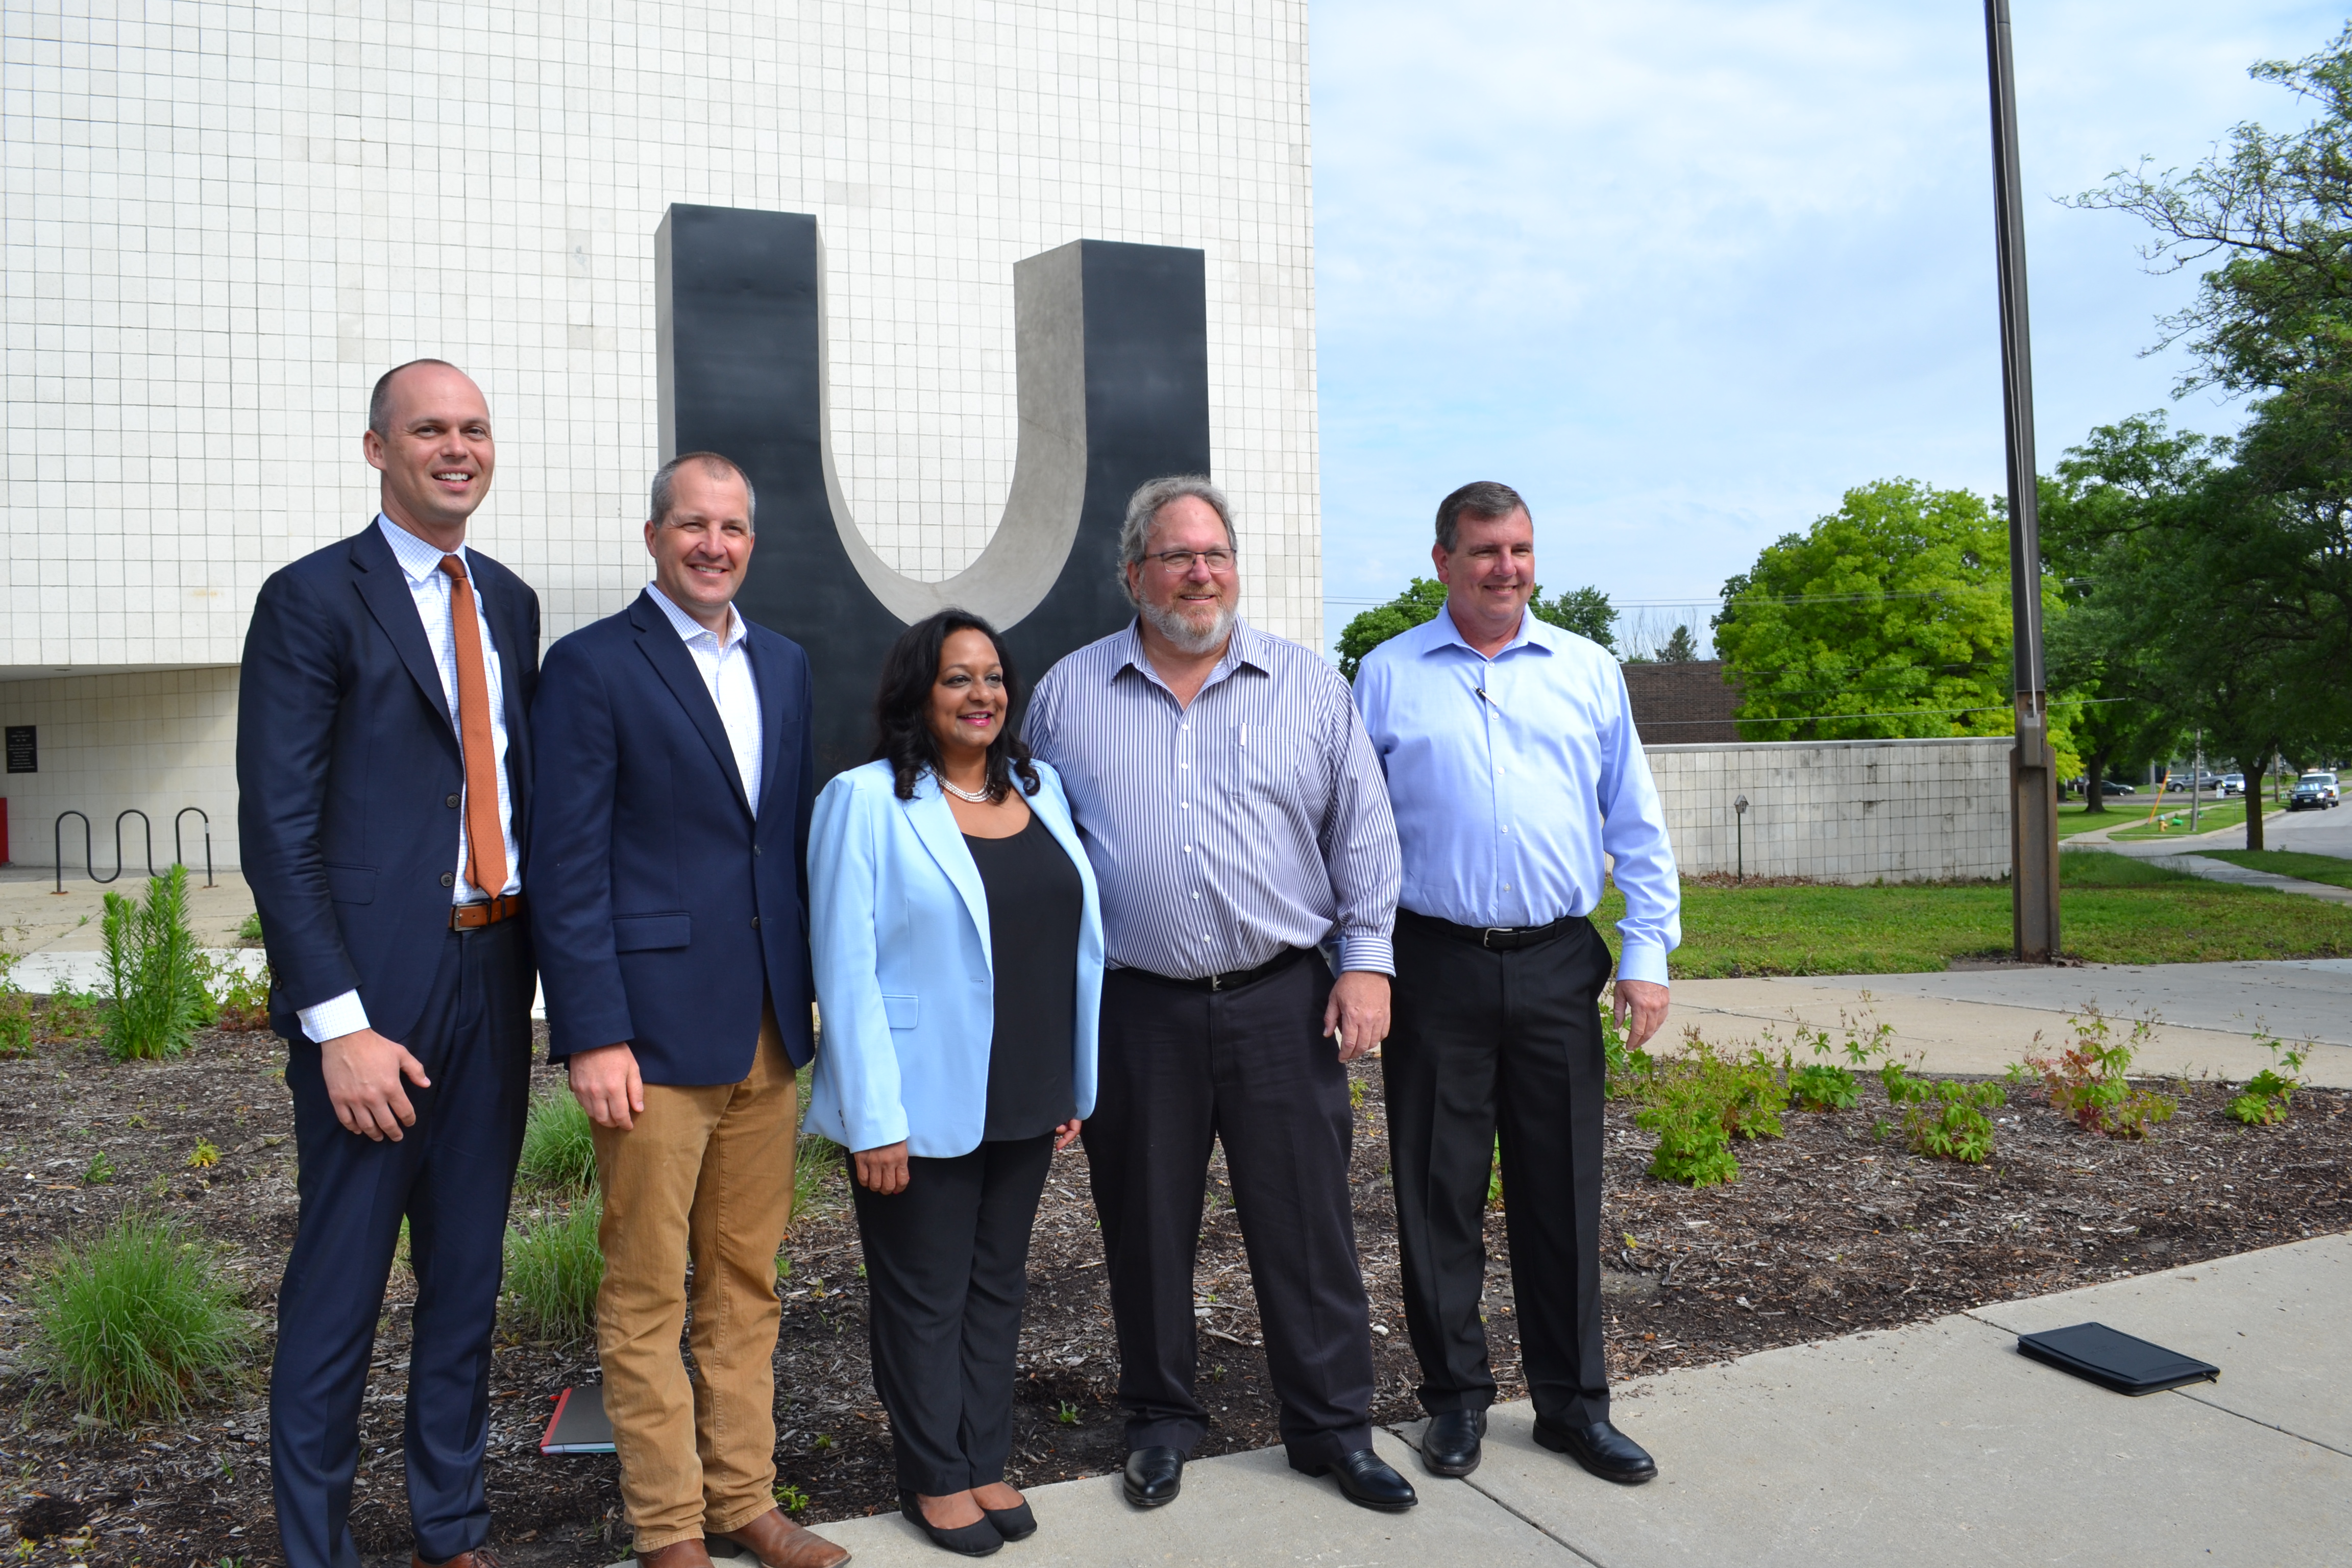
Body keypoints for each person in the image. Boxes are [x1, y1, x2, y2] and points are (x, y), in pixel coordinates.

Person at [1023, 476, 1415, 1514]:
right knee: (1145, 1226)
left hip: (1284, 1001)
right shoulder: (1066, 696)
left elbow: (1363, 835)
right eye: (1177, 556)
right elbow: (1036, 853)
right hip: (1136, 1009)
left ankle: (1332, 1426)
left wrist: (1366, 961)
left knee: (1309, 1224)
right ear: (1133, 575)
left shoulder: (1308, 685)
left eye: (1216, 555)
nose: (1201, 573)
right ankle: (1160, 1421)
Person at [240, 359, 537, 1568]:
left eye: (473, 428)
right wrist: (336, 1023)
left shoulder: (509, 600)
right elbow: (280, 831)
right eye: (430, 430)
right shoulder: (313, 598)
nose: (456, 448)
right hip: (372, 1006)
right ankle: (317, 1550)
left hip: (492, 977)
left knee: (465, 1284)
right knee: (339, 1298)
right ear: (378, 450)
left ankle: (449, 1528)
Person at [528, 453, 847, 1568]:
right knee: (646, 1294)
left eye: (734, 528)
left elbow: (782, 849)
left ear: (752, 542)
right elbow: (566, 869)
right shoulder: (590, 667)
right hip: (650, 1039)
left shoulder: (789, 665)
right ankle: (670, 1533)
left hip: (765, 1028)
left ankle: (744, 1501)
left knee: (748, 1283)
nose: (715, 545)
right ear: (654, 535)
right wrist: (592, 1030)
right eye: (693, 525)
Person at [1353, 480, 1679, 1486]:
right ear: (1443, 559)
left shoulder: (1586, 670)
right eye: (1487, 549)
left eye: (1522, 549)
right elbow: (1357, 834)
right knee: (1437, 1198)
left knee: (1562, 1196)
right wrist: (1361, 961)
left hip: (1555, 965)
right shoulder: (1386, 675)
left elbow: (1635, 817)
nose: (1507, 567)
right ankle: (1453, 1402)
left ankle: (1574, 1408)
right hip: (1437, 966)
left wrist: (1646, 953)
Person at [806, 610, 1102, 1558]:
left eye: (993, 678)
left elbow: (1059, 937)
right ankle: (934, 1475)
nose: (981, 696)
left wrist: (1065, 1078)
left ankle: (984, 1459)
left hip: (1023, 1083)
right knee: (923, 1295)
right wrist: (871, 1119)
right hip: (915, 1095)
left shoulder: (1040, 786)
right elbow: (845, 967)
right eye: (956, 680)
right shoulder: (864, 800)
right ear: (917, 695)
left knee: (998, 1287)